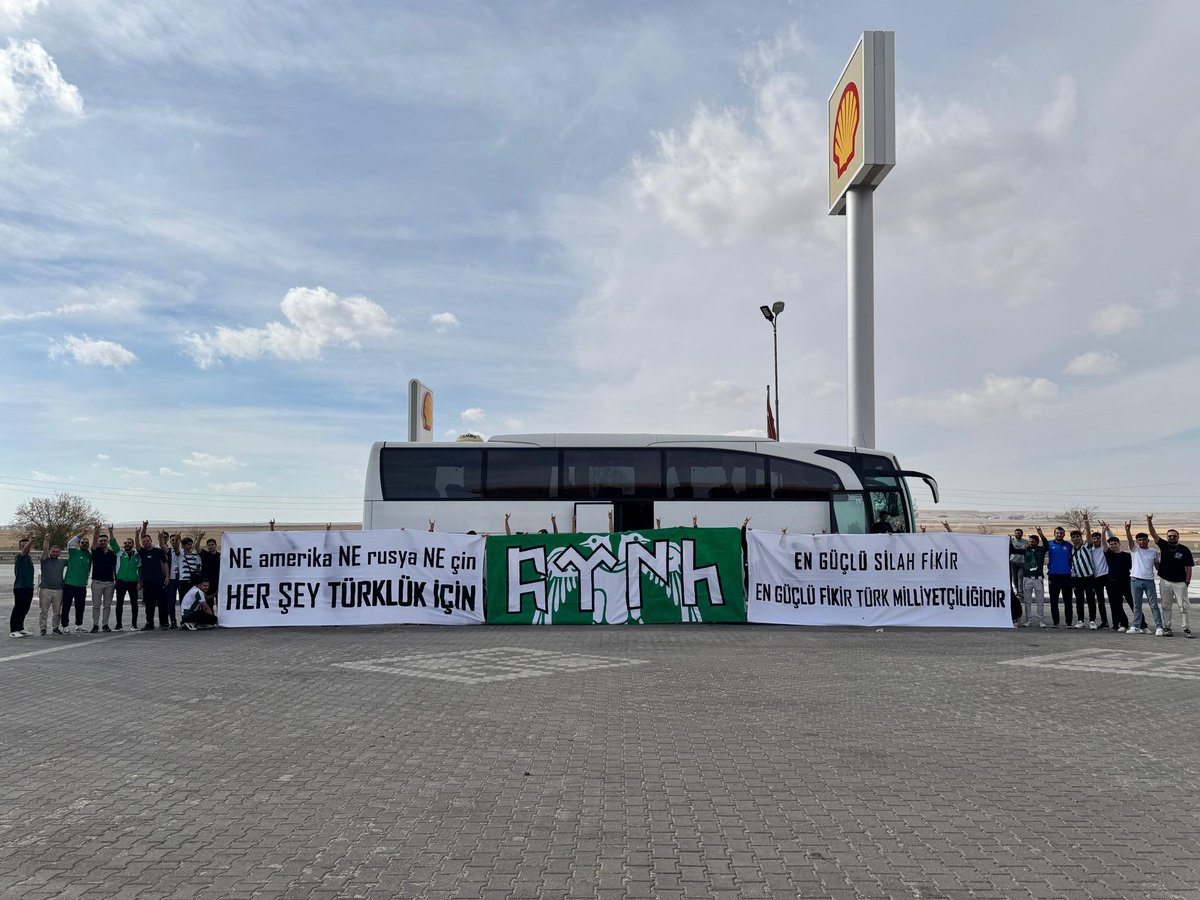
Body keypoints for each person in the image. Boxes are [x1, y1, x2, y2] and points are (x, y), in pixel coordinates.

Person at [1146, 514, 1192, 638]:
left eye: (1174, 536)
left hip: (1180, 582)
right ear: (1167, 537)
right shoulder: (1164, 545)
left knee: (1183, 607)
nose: (1172, 538)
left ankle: (1186, 628)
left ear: (1178, 537)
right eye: (1169, 536)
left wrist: (1187, 582)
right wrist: (1149, 521)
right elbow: (1153, 533)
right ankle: (1167, 627)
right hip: (1165, 581)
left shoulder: (1185, 550)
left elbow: (1188, 567)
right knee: (1166, 606)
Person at [1125, 520, 1164, 636]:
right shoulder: (1134, 550)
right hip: (1135, 580)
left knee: (1154, 605)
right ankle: (1136, 626)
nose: (1142, 541)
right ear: (1137, 541)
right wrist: (1127, 530)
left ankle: (1159, 627)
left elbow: (1157, 566)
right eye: (1140, 540)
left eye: (1144, 539)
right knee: (1137, 605)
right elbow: (1130, 541)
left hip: (1149, 581)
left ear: (1148, 540)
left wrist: (1160, 564)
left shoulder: (1153, 552)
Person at [1036, 526, 1073, 627]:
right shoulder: (1049, 544)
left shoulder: (1069, 545)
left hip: (1066, 575)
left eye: (1061, 533)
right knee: (1054, 601)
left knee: (1068, 601)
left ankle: (1068, 623)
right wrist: (1040, 535)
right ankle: (1056, 622)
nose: (1059, 535)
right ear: (1054, 534)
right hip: (1053, 576)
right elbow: (1038, 549)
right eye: (1057, 533)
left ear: (1064, 534)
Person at [1099, 522, 1132, 632]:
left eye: (1114, 543)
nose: (1112, 545)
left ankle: (1141, 624)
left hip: (1126, 582)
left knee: (1133, 603)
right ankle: (1122, 623)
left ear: (1119, 544)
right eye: (1111, 544)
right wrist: (1103, 531)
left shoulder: (1127, 555)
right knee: (1116, 605)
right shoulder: (1109, 554)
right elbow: (1103, 543)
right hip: (1112, 582)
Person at [136, 526, 169, 631]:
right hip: (146, 582)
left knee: (162, 603)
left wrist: (167, 577)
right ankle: (149, 623)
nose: (145, 542)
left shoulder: (158, 551)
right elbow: (137, 545)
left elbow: (165, 564)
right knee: (149, 605)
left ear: (151, 541)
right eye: (144, 541)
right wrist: (137, 534)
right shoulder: (142, 552)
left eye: (147, 540)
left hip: (158, 581)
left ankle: (163, 623)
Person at [1081, 514, 1111, 630]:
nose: (1096, 540)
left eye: (1098, 538)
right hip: (1096, 578)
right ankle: (1105, 622)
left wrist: (1105, 530)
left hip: (1107, 576)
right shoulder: (1090, 550)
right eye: (1094, 538)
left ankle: (1117, 622)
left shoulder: (1105, 548)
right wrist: (1086, 522)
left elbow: (1110, 539)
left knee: (1113, 600)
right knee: (1100, 601)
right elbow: (1087, 535)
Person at [89, 523, 118, 633]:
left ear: (107, 542)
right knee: (96, 605)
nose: (102, 542)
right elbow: (94, 542)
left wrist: (111, 532)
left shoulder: (112, 553)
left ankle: (105, 624)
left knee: (107, 605)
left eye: (104, 541)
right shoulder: (95, 551)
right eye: (101, 541)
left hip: (109, 583)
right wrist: (96, 531)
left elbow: (115, 567)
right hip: (97, 582)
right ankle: (95, 625)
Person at [62, 530, 93, 632]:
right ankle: (65, 626)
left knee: (80, 607)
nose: (84, 544)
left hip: (81, 585)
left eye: (86, 543)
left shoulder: (89, 556)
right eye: (82, 542)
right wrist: (82, 534)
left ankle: (79, 625)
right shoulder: (74, 552)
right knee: (66, 606)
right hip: (69, 584)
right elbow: (70, 543)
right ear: (79, 544)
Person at [113, 526, 141, 631]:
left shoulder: (137, 555)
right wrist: (111, 532)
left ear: (132, 544)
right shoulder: (119, 553)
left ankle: (134, 624)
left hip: (133, 582)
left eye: (129, 543)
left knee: (134, 604)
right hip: (121, 582)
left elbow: (140, 569)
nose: (127, 545)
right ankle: (118, 624)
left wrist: (139, 581)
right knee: (119, 603)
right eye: (125, 543)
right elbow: (113, 543)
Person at [1069, 529, 1098, 629]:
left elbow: (1089, 536)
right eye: (1074, 537)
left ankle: (1092, 620)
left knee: (1091, 600)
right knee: (1079, 600)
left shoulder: (1086, 546)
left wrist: (1086, 521)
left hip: (1089, 577)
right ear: (1071, 539)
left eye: (1077, 536)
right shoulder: (1071, 549)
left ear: (1081, 537)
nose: (1076, 538)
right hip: (1077, 578)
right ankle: (1080, 620)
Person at [38, 538, 67, 635]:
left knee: (57, 611)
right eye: (53, 551)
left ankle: (55, 628)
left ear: (60, 553)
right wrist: (46, 540)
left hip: (58, 590)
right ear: (49, 552)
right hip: (45, 589)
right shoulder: (45, 560)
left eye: (57, 552)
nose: (55, 553)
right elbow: (45, 549)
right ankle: (43, 628)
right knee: (44, 611)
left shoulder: (62, 562)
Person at [1021, 534, 1047, 628]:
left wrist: (1041, 535)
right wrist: (1009, 542)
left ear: (1037, 542)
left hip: (1038, 579)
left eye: (1032, 541)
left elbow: (1046, 545)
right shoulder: (1025, 550)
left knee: (1040, 601)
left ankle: (1041, 621)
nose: (1031, 543)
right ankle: (1028, 620)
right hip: (1027, 578)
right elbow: (1014, 551)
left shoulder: (1041, 550)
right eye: (1030, 541)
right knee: (1027, 601)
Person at [11, 538, 34, 638]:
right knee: (18, 609)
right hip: (20, 587)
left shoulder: (29, 557)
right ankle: (14, 630)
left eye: (27, 545)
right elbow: (24, 551)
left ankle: (20, 628)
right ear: (20, 547)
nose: (26, 547)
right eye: (23, 545)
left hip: (29, 587)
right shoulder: (19, 556)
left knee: (25, 609)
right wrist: (31, 541)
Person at [1009, 528, 1029, 605]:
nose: (1017, 534)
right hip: (1013, 561)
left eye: (1019, 533)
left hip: (1022, 562)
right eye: (1016, 533)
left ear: (1022, 534)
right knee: (1014, 577)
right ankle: (1017, 590)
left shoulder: (1025, 542)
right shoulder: (1012, 541)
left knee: (1020, 576)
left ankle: (1020, 591)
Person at [198, 537, 220, 603]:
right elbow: (196, 548)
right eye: (209, 545)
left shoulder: (221, 556)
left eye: (212, 544)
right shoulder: (205, 554)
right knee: (209, 603)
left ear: (216, 545)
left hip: (218, 583)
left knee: (220, 603)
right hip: (208, 583)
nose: (211, 546)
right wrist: (200, 537)